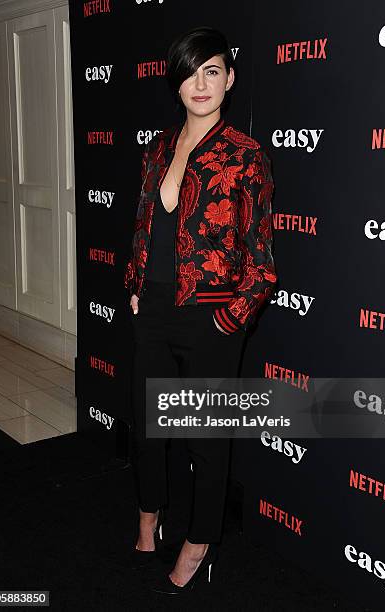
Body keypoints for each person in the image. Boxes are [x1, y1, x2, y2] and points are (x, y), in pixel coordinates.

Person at [123, 25, 277, 594]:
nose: (200, 82)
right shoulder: (158, 148)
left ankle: (200, 539)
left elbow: (261, 261)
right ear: (176, 83)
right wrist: (136, 284)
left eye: (212, 70)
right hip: (156, 309)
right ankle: (148, 516)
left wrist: (229, 319)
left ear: (230, 78)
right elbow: (143, 226)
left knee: (204, 439)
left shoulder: (245, 155)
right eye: (190, 72)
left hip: (213, 315)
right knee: (147, 428)